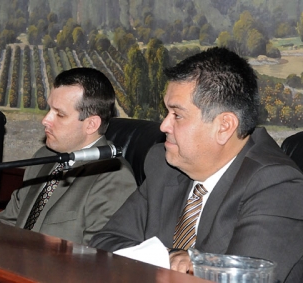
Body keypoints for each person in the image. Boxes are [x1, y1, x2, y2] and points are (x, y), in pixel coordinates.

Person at [89, 47, 303, 282]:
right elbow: (104, 244)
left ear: (224, 126)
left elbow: (241, 279)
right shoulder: (164, 164)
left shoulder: (277, 185)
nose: (163, 126)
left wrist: (176, 264)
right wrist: (167, 258)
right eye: (166, 112)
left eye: (177, 115)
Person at [0, 67, 137, 245]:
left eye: (59, 114)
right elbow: (7, 223)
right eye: (49, 110)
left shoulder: (113, 176)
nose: (45, 120)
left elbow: (98, 258)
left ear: (91, 124)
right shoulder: (43, 156)